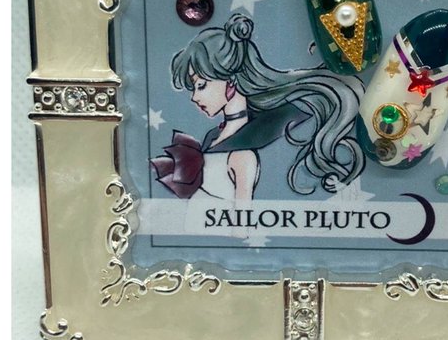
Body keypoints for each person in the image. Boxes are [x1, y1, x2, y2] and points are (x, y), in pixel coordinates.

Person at [151, 13, 365, 201]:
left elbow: (243, 222)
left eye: (201, 86)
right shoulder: (212, 138)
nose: (194, 97)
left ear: (231, 82)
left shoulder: (243, 154)